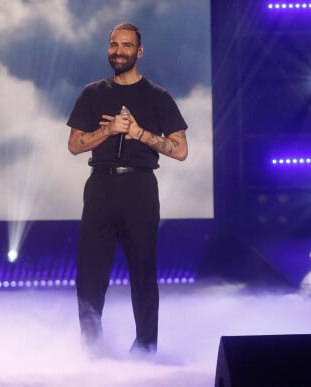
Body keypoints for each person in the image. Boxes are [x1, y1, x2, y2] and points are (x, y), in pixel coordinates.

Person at [66, 22, 188, 355]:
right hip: (100, 187)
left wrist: (138, 133)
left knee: (143, 271)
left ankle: (145, 348)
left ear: (139, 51)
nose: (119, 51)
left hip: (139, 188)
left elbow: (180, 149)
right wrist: (108, 131)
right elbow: (75, 144)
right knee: (90, 274)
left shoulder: (157, 97)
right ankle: (91, 347)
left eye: (126, 46)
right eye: (113, 45)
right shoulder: (93, 93)